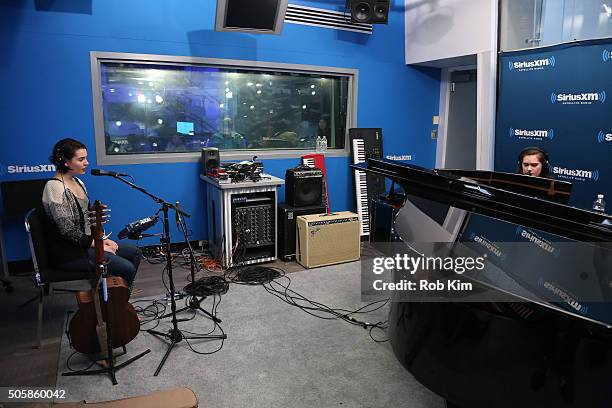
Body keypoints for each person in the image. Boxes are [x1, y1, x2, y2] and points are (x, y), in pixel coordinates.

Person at [43, 138, 141, 290]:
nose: (87, 162)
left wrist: (101, 240)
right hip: (68, 254)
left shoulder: (78, 182)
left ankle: (117, 301)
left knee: (134, 252)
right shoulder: (54, 188)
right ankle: (114, 307)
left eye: (86, 158)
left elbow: (87, 222)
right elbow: (68, 230)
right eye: (81, 159)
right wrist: (98, 245)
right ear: (65, 162)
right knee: (126, 268)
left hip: (85, 246)